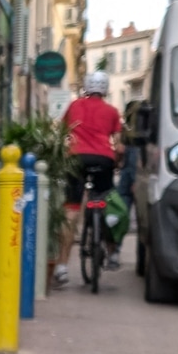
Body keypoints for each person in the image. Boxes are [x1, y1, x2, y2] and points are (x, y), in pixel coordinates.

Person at [55, 71, 122, 287]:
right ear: (105, 89)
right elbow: (118, 143)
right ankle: (112, 253)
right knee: (109, 202)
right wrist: (117, 162)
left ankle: (62, 266)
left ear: (86, 87)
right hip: (103, 160)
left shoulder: (74, 106)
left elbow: (62, 133)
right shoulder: (112, 111)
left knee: (72, 208)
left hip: (76, 158)